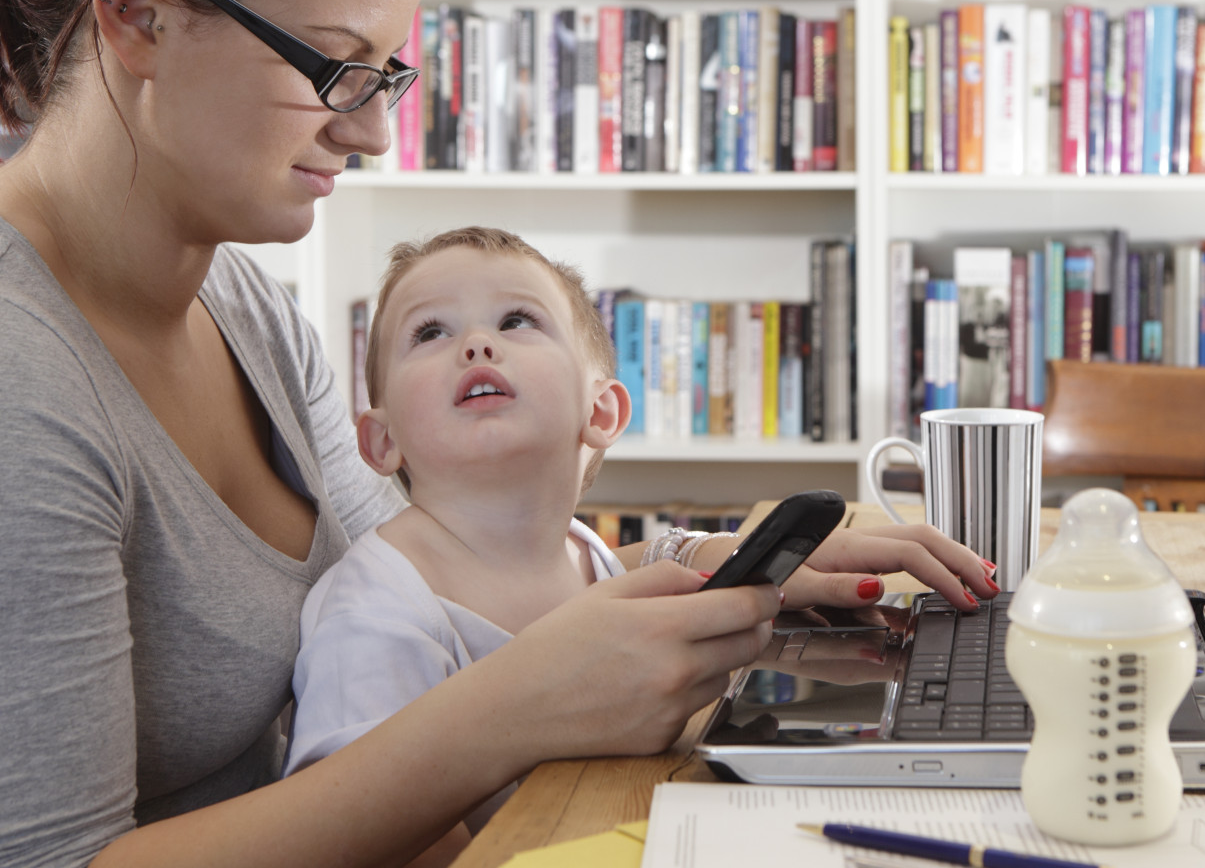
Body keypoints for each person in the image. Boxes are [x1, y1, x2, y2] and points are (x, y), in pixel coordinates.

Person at [0, 0, 998, 865]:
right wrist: (510, 710)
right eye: (335, 67)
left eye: (385, 77)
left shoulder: (250, 314)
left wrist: (699, 565)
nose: (371, 131)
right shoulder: (23, 375)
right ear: (140, 16)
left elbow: (449, 548)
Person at [281, 226, 998, 864]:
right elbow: (361, 835)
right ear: (379, 440)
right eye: (430, 332)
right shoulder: (375, 611)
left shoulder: (586, 555)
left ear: (602, 411)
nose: (476, 342)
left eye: (516, 320)